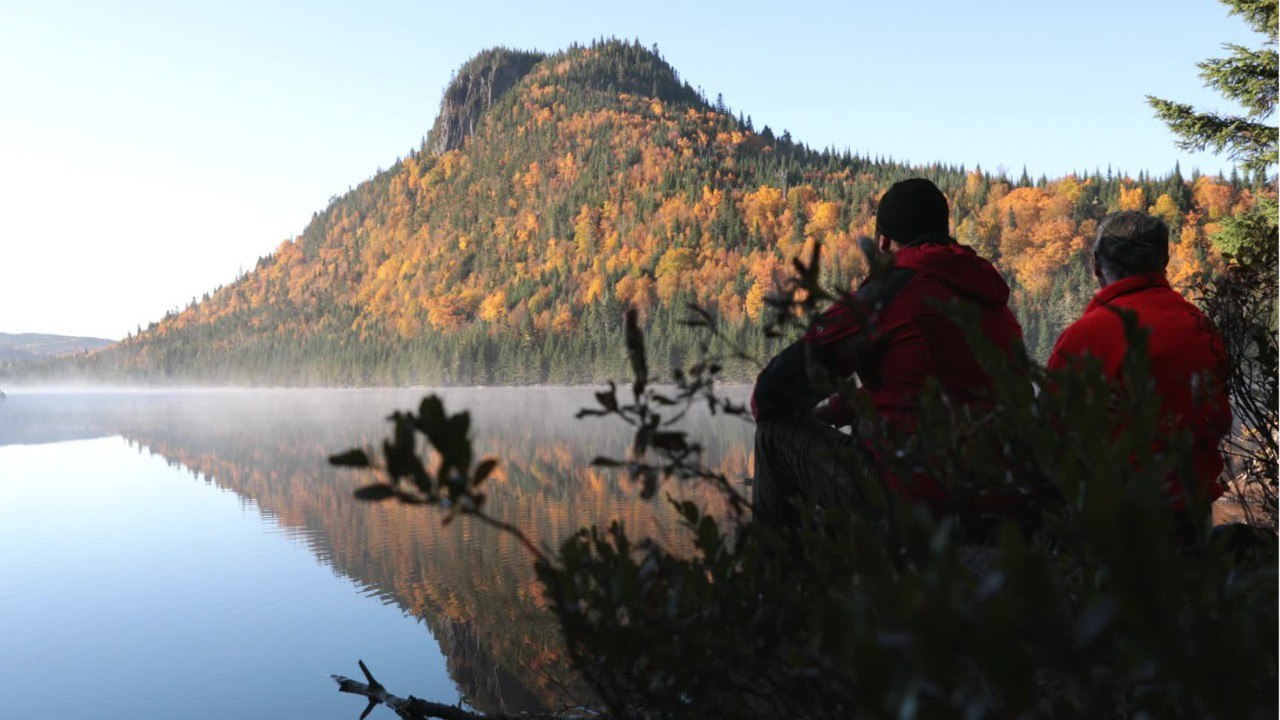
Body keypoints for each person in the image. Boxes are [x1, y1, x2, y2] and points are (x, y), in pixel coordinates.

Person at [750, 178, 1023, 527]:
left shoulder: (889, 292)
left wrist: (808, 412)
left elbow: (769, 396)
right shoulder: (988, 295)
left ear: (883, 241)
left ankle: (777, 577)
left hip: (917, 500)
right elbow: (933, 385)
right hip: (996, 499)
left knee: (772, 435)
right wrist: (838, 409)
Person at [1047, 211, 1231, 508]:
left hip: (1116, 526)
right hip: (1193, 515)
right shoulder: (1200, 326)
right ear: (1165, 261)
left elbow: (1053, 437)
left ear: (1096, 265)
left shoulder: (1084, 339)